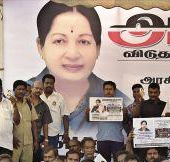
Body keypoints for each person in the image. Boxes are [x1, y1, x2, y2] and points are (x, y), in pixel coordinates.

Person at [29, 2, 128, 140]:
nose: (73, 54)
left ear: (98, 48)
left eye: (83, 41)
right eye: (59, 41)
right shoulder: (25, 94)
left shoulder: (121, 99)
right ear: (40, 46)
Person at [10, 80, 39, 162]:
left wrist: (36, 141)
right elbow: (6, 124)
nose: (22, 91)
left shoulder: (29, 104)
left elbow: (33, 123)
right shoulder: (8, 103)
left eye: (24, 90)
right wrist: (11, 137)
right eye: (19, 89)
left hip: (28, 142)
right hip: (14, 142)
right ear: (14, 90)